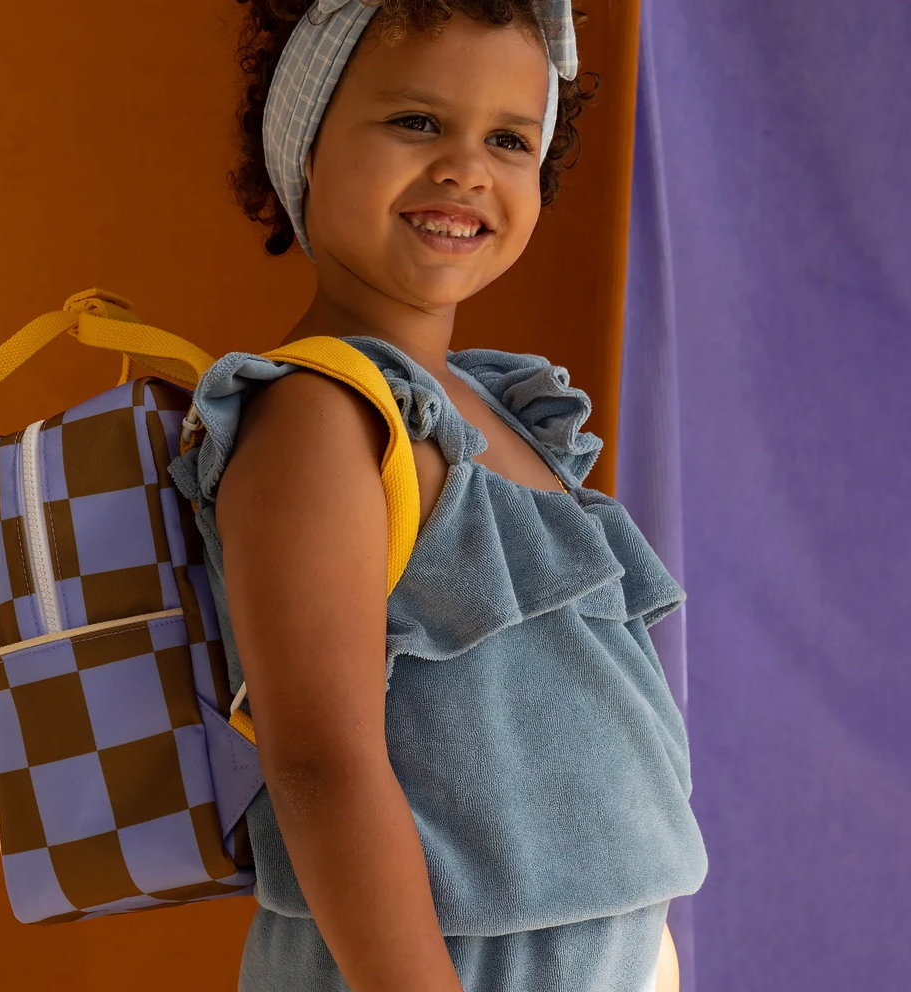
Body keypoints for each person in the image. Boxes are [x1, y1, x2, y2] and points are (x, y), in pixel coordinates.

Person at [186, 0, 709, 988]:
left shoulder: (494, 412)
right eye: (417, 122)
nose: (465, 168)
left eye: (507, 138)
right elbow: (320, 766)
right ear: (300, 142)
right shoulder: (320, 419)